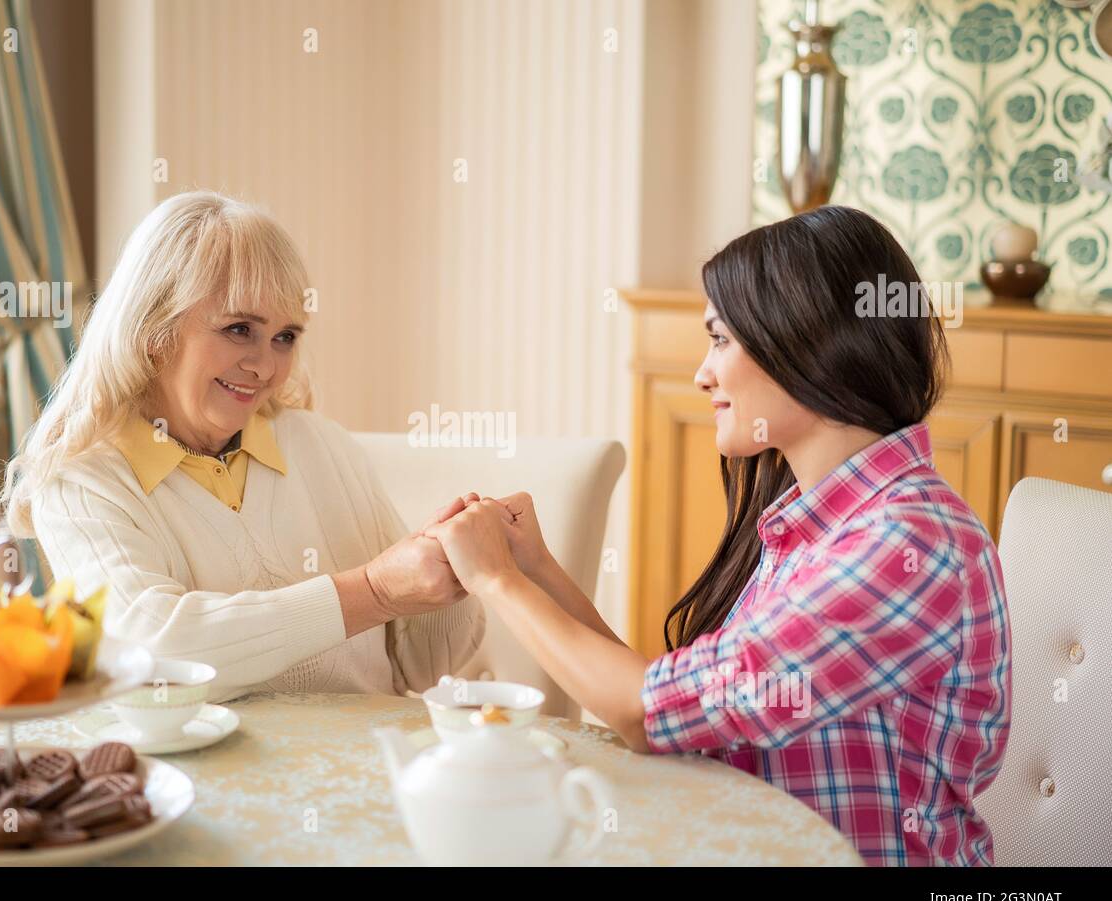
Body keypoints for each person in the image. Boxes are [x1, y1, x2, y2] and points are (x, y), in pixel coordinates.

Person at [424, 206, 1011, 866]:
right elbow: (677, 711)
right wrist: (535, 569)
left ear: (805, 339)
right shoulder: (821, 522)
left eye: (720, 340)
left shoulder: (908, 546)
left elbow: (647, 713)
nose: (703, 374)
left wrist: (494, 580)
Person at [0, 190, 483, 699]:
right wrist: (374, 592)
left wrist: (452, 568)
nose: (266, 366)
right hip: (196, 778)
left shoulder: (324, 447)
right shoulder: (81, 483)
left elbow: (423, 668)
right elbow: (152, 653)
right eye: (239, 329)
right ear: (153, 332)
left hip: (362, 769)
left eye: (285, 337)